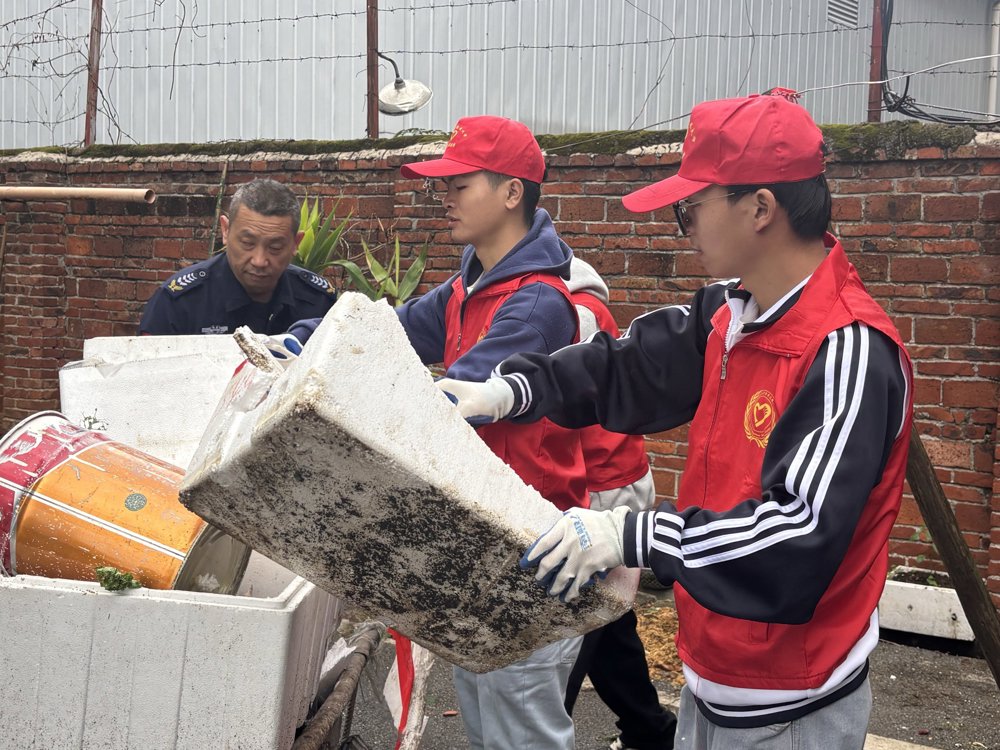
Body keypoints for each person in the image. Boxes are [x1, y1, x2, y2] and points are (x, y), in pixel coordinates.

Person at [437, 91, 914, 750]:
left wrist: (631, 534)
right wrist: (509, 390)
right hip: (711, 676)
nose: (682, 225)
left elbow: (797, 535)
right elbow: (623, 367)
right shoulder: (730, 311)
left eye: (690, 208)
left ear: (760, 209)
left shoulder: (848, 351)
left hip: (792, 702)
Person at [292, 114, 589, 750]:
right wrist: (297, 344)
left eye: (460, 184)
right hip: (487, 546)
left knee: (522, 735)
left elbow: (437, 410)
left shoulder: (535, 303)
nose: (445, 197)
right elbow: (384, 329)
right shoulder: (469, 285)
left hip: (533, 556)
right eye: (443, 185)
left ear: (512, 192)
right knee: (490, 728)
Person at [563, 256, 677, 750]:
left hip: (602, 487)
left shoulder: (565, 306)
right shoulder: (497, 288)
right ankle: (650, 731)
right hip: (590, 483)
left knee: (570, 635)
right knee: (606, 625)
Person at [139, 178, 336, 335]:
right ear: (225, 231)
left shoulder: (318, 302)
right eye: (248, 243)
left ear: (295, 243)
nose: (259, 261)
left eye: (275, 247)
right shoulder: (179, 303)